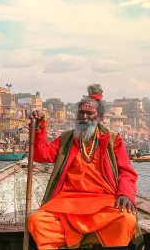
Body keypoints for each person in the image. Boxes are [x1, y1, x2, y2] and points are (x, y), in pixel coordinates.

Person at [28, 84, 142, 249]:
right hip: (68, 201)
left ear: (99, 116)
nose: (85, 116)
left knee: (127, 219)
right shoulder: (67, 139)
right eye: (81, 112)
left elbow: (127, 172)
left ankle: (76, 240)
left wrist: (125, 194)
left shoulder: (112, 140)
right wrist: (38, 127)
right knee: (37, 221)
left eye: (90, 113)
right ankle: (91, 239)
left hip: (103, 201)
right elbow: (41, 155)